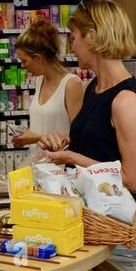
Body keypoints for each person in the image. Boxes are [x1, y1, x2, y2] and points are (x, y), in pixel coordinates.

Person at [37, 0, 136, 193]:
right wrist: (61, 143)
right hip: (86, 211)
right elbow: (96, 145)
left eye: (73, 38)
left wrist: (72, 158)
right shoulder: (91, 88)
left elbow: (134, 181)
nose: (71, 48)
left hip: (110, 218)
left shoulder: (125, 101)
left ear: (91, 36)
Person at [10, 16, 84, 163]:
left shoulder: (71, 85)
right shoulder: (39, 80)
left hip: (59, 170)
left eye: (24, 61)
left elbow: (78, 138)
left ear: (38, 58)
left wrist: (36, 138)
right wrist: (26, 137)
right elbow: (43, 126)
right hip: (37, 166)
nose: (23, 66)